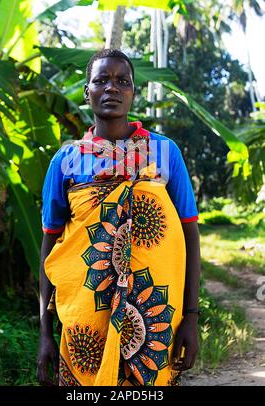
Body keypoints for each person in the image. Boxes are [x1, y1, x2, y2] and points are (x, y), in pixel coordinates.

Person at [37, 49, 201, 387]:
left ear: (133, 92)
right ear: (87, 92)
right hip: (85, 321)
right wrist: (44, 333)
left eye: (122, 81)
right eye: (101, 80)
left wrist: (191, 317)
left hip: (154, 315)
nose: (112, 88)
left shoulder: (165, 153)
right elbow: (50, 247)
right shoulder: (66, 161)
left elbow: (189, 235)